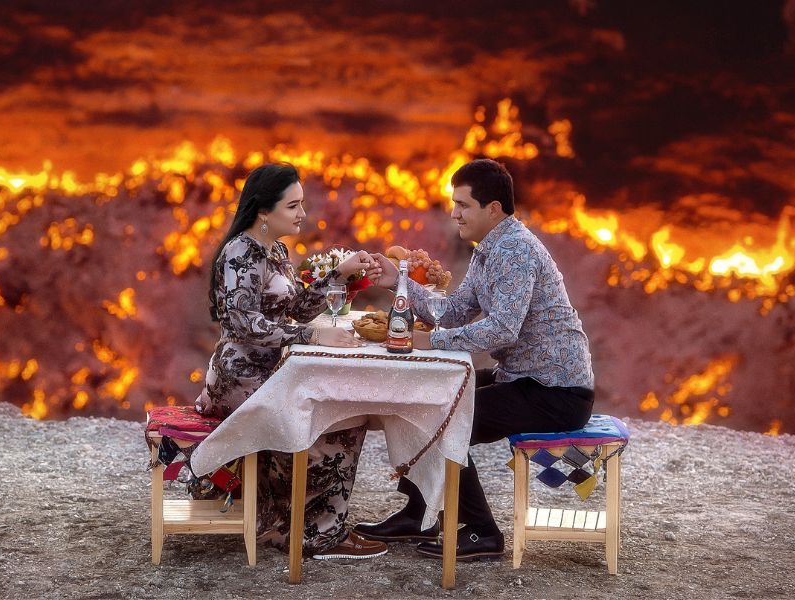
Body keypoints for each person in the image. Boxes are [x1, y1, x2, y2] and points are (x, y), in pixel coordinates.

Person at [357, 158, 595, 561]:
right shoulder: (489, 249)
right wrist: (397, 281)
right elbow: (452, 311)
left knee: (445, 417)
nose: (454, 213)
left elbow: (503, 329)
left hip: (556, 392)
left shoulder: (515, 250)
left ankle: (483, 532)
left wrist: (434, 342)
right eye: (454, 204)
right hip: (521, 378)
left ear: (493, 208)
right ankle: (419, 515)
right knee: (425, 399)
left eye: (463, 205)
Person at [195, 162, 387, 560]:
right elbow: (243, 323)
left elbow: (297, 310)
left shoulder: (275, 250)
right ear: (264, 210)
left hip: (274, 371)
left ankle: (307, 524)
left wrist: (341, 274)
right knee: (330, 423)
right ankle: (309, 532)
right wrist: (315, 335)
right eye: (293, 206)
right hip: (241, 378)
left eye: (302, 204)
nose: (302, 214)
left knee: (346, 415)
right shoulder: (239, 254)